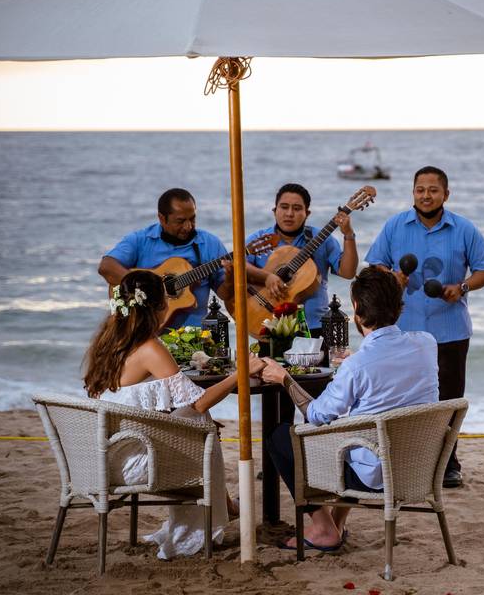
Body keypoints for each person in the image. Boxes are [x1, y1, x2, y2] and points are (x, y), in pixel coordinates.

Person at [83, 270, 266, 559]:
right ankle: (206, 521)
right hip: (134, 465)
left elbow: (159, 405)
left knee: (196, 423)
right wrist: (242, 372)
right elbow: (199, 404)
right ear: (158, 307)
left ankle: (222, 506)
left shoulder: (108, 344)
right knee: (202, 423)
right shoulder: (150, 348)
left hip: (106, 456)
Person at [258, 266, 439, 551]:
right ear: (399, 307)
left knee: (280, 437)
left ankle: (323, 528)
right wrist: (357, 364)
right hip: (419, 465)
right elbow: (392, 371)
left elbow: (317, 415)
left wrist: (284, 378)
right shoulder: (427, 344)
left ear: (357, 310)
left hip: (375, 477)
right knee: (358, 434)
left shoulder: (358, 366)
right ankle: (337, 523)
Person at [364, 166, 484, 488]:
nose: (426, 195)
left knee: (448, 400)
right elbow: (375, 264)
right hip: (403, 330)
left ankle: (449, 464)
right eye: (420, 189)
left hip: (449, 330)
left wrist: (462, 287)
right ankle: (403, 462)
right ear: (413, 193)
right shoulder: (395, 225)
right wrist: (389, 277)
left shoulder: (464, 228)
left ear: (446, 194)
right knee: (402, 399)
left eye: (433, 190)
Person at [98, 188, 231, 329]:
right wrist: (146, 288)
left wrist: (230, 277)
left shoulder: (210, 243)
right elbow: (106, 267)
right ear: (162, 218)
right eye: (180, 221)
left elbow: (224, 294)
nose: (188, 226)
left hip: (194, 339)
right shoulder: (141, 240)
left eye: (192, 219)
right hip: (145, 334)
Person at [244, 183, 358, 339]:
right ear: (274, 211)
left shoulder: (322, 239)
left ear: (307, 213)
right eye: (284, 207)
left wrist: (348, 234)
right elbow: (238, 265)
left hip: (315, 328)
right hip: (270, 326)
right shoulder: (259, 240)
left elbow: (348, 272)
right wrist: (267, 277)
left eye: (297, 208)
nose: (289, 213)